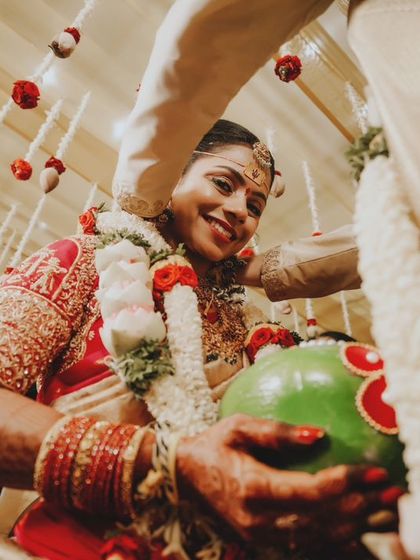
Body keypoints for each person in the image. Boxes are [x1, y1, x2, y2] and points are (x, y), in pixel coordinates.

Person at [0, 120, 399, 560]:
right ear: (171, 177)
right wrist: (170, 463)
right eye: (223, 184)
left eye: (255, 205)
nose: (239, 211)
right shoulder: (86, 261)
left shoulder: (247, 324)